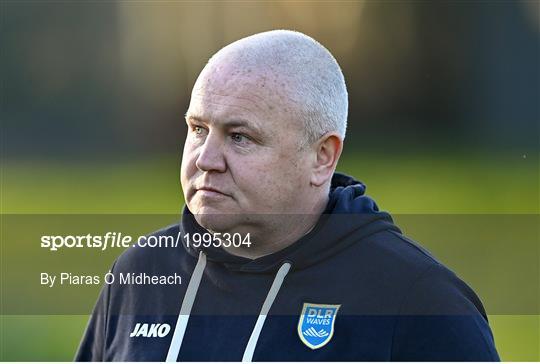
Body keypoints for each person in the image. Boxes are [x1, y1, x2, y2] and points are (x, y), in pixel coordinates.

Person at [76, 30, 500, 361]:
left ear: (322, 157)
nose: (206, 159)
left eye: (239, 137)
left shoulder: (418, 300)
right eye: (198, 129)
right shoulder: (140, 272)